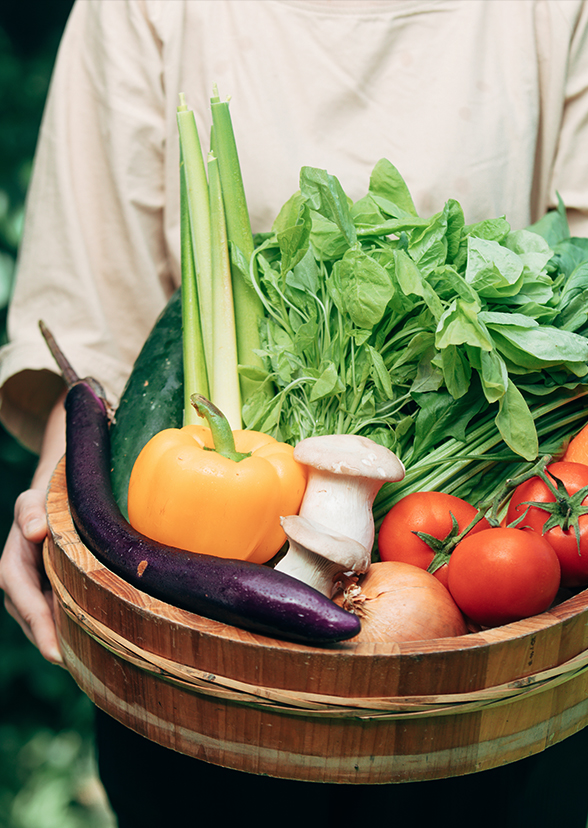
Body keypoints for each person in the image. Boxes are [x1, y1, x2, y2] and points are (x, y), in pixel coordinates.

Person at [2, 1, 588, 825]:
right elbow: (97, 330)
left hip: (489, 685)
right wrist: (64, 506)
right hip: (194, 697)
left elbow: (577, 279)